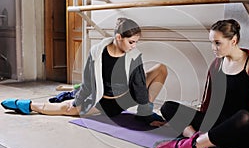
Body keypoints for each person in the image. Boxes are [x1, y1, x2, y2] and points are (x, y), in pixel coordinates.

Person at [154, 19, 249, 148]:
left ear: (233, 41)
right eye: (212, 42)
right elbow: (209, 102)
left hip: (243, 132)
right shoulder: (217, 64)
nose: (213, 48)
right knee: (168, 107)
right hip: (216, 127)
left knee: (244, 116)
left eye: (217, 43)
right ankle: (203, 142)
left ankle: (193, 145)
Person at [1, 18, 167, 127]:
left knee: (160, 69)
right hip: (105, 103)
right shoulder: (97, 52)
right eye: (131, 42)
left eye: (136, 42)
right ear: (118, 38)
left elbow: (139, 85)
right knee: (65, 109)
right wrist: (77, 101)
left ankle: (144, 112)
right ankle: (27, 105)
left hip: (127, 96)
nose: (134, 46)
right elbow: (88, 83)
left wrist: (146, 114)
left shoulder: (134, 56)